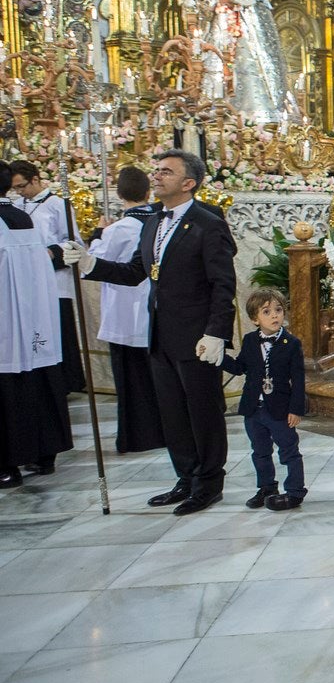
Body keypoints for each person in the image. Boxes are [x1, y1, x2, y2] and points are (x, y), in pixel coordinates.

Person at [64, 149, 237, 516]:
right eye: (155, 170)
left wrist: (216, 333)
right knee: (172, 412)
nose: (156, 177)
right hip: (158, 333)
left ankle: (208, 483)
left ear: (188, 183)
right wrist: (89, 262)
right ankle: (186, 477)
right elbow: (135, 272)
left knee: (202, 412)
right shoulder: (154, 222)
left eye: (166, 172)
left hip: (197, 337)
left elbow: (223, 284)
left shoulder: (207, 224)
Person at [0, 161, 73, 488]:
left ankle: (7, 463)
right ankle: (43, 454)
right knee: (33, 377)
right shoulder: (20, 216)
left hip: (5, 320)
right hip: (31, 316)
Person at [87, 166, 165, 455]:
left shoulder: (118, 229)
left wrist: (98, 233)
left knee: (130, 382)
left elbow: (93, 263)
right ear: (148, 193)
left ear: (120, 195)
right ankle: (162, 432)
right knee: (155, 378)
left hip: (123, 311)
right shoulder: (159, 222)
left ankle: (136, 437)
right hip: (153, 310)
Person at [220, 288, 306, 511]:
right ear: (254, 319)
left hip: (279, 408)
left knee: (289, 451)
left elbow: (298, 380)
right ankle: (267, 488)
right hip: (254, 409)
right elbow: (240, 368)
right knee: (260, 451)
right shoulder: (249, 341)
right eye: (266, 312)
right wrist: (218, 357)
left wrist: (296, 410)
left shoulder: (292, 343)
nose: (275, 316)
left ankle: (295, 492)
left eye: (278, 310)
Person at [10, 159, 85, 396]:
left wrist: (52, 251)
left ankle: (65, 380)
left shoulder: (57, 205)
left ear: (35, 179)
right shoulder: (17, 205)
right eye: (16, 188)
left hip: (54, 279)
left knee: (58, 328)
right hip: (26, 279)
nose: (20, 192)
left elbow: (74, 240)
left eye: (22, 186)